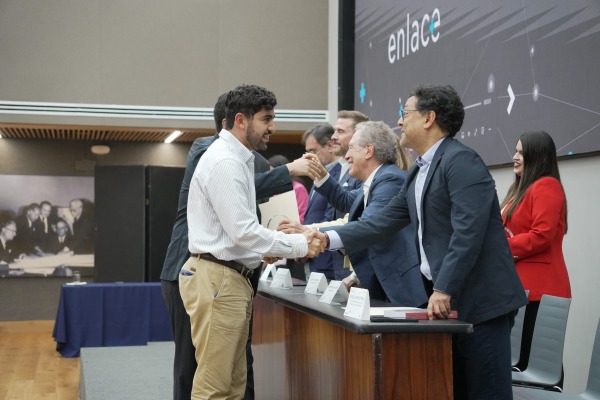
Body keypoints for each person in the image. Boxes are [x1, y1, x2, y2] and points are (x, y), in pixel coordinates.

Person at [315, 84, 527, 399]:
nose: (399, 121)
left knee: (486, 393)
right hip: (445, 303)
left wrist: (444, 288)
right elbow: (382, 222)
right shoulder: (419, 171)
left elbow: (468, 233)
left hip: (479, 304)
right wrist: (326, 238)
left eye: (406, 113)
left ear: (429, 118)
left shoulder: (462, 161)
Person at [161, 93, 320, 400]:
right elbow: (244, 232)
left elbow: (234, 232)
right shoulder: (224, 160)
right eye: (266, 119)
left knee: (233, 385)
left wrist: (262, 250)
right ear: (240, 120)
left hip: (227, 278)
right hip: (219, 280)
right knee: (213, 387)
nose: (272, 127)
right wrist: (299, 244)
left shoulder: (239, 159)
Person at [283, 121, 427, 306]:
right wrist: (321, 174)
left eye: (351, 148)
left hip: (401, 286)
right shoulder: (377, 179)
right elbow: (345, 200)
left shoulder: (390, 179)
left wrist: (324, 237)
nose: (346, 155)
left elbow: (369, 226)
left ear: (368, 151)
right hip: (385, 281)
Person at [500, 130, 571, 372]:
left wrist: (500, 248)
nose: (515, 157)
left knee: (537, 364)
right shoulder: (518, 188)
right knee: (520, 361)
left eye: (522, 152)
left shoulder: (546, 186)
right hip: (519, 287)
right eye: (515, 151)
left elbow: (542, 235)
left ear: (539, 157)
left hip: (541, 289)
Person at [329, 111, 368, 279]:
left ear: (358, 135)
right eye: (334, 130)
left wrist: (311, 232)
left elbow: (354, 217)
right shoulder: (336, 169)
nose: (333, 136)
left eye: (340, 131)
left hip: (357, 264)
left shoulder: (363, 172)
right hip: (337, 259)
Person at [302, 124, 340, 280]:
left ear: (329, 146)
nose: (308, 157)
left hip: (328, 262)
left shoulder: (338, 176)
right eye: (306, 152)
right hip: (313, 258)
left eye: (312, 151)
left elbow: (331, 217)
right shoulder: (319, 175)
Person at [267, 155, 309, 223]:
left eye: (274, 173)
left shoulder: (298, 188)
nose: (272, 177)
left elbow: (302, 215)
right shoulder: (270, 189)